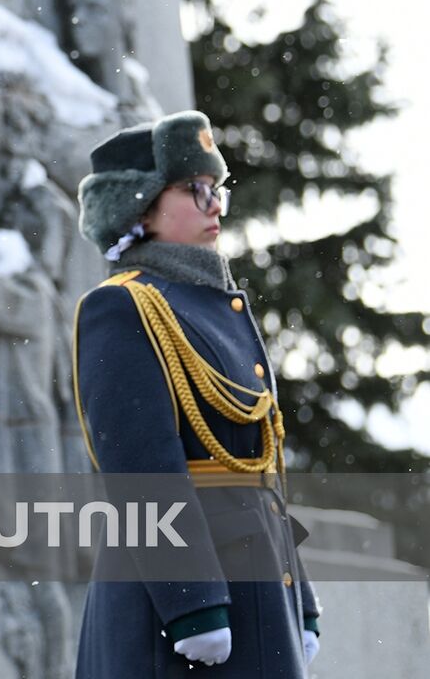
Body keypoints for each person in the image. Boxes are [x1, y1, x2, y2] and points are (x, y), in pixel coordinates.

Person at [72, 110, 321, 677]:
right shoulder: (124, 305)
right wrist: (191, 602)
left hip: (256, 581)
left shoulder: (222, 306)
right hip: (176, 600)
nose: (214, 206)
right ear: (139, 206)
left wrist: (300, 598)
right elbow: (140, 464)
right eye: (194, 189)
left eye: (216, 190)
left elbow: (265, 474)